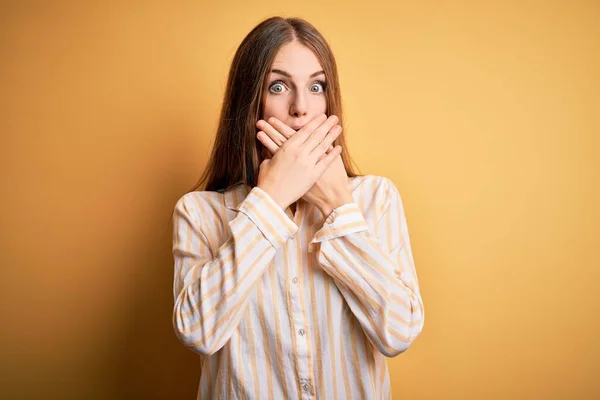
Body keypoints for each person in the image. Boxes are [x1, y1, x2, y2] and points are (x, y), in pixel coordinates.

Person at [171, 16, 424, 400]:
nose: (300, 108)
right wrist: (269, 202)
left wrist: (337, 206)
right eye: (278, 86)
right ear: (250, 100)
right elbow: (198, 331)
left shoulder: (376, 199)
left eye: (316, 86)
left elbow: (399, 331)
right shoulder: (199, 213)